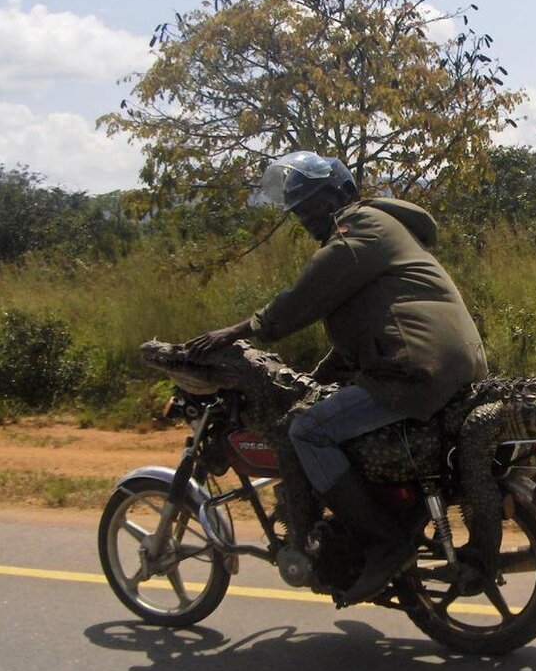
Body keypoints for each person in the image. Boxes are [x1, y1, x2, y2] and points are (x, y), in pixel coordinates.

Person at [185, 150, 487, 606]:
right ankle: (378, 522)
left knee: (307, 431)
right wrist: (320, 374)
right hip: (440, 362)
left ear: (343, 191)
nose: (307, 216)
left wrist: (240, 329)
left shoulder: (359, 225)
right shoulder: (384, 230)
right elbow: (368, 321)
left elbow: (310, 293)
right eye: (299, 209)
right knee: (328, 415)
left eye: (313, 202)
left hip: (414, 371)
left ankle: (385, 542)